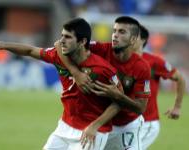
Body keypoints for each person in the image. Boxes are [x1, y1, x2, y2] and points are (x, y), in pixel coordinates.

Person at [0, 18, 124, 150]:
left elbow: (119, 101)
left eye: (67, 37)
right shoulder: (58, 55)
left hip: (92, 131)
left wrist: (94, 126)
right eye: (62, 36)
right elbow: (30, 50)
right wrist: (1, 45)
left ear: (82, 42)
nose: (61, 41)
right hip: (65, 127)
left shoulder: (104, 70)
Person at [55, 16, 151, 150]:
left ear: (133, 39)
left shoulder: (142, 67)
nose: (115, 36)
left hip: (127, 126)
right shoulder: (101, 49)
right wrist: (76, 73)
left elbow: (141, 108)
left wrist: (118, 96)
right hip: (101, 124)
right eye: (114, 31)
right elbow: (58, 46)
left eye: (121, 32)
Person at [134, 25, 185, 150]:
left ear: (142, 40)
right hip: (125, 123)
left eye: (132, 35)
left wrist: (177, 107)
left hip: (147, 123)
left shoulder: (154, 61)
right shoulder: (118, 59)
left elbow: (180, 79)